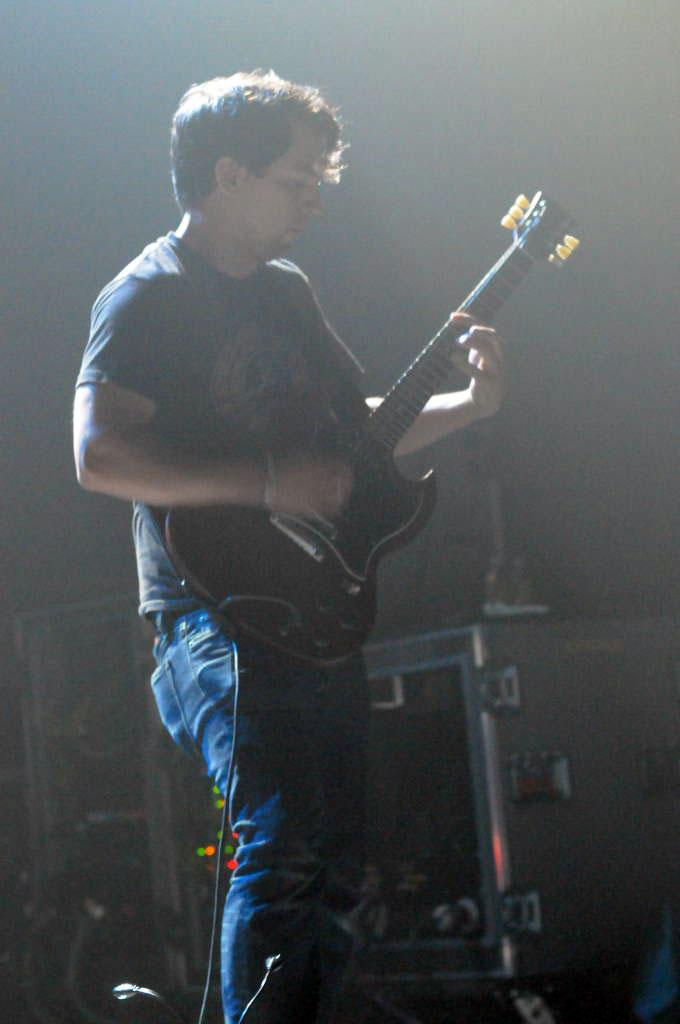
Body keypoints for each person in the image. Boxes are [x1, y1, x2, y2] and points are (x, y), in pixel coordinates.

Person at [72, 71, 506, 1024]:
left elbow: (357, 431)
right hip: (210, 616)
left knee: (338, 858)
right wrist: (266, 482)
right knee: (286, 840)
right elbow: (100, 455)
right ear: (229, 174)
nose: (314, 199)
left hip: (312, 612)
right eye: (297, 179)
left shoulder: (287, 292)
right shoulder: (146, 296)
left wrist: (470, 405)